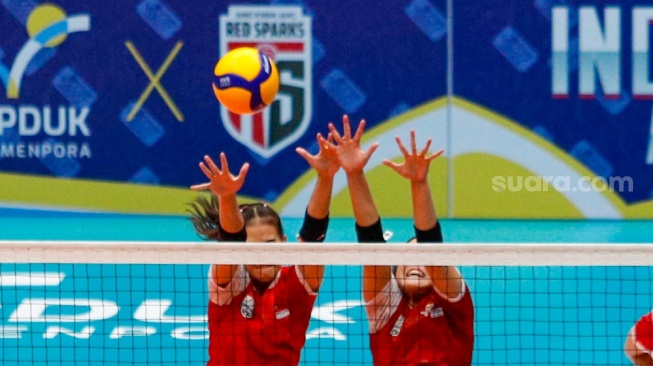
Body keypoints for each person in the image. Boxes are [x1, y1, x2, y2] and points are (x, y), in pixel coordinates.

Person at [326, 116, 474, 365]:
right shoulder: (384, 308)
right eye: (408, 257)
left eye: (422, 258)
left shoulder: (454, 305)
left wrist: (419, 183)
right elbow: (371, 244)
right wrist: (354, 174)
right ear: (394, 269)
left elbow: (432, 249)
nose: (417, 263)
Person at [188, 132, 339, 365]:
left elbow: (312, 239)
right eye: (252, 247)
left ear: (284, 242)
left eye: (269, 245)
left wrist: (326, 178)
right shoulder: (231, 283)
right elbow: (230, 246)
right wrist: (227, 197)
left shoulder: (299, 283)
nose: (262, 255)